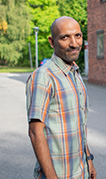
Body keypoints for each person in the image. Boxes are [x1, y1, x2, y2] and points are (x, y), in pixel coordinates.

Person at [26, 16, 97, 179]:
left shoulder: (75, 73)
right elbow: (36, 132)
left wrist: (89, 159)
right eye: (65, 37)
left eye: (77, 36)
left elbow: (79, 125)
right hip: (58, 174)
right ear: (52, 41)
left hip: (81, 171)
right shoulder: (44, 77)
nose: (74, 43)